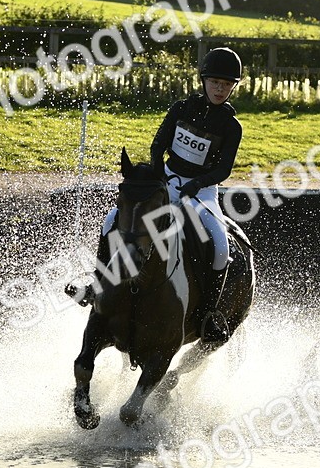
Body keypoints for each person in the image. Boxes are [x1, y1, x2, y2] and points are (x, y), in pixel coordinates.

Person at [72, 47, 244, 343]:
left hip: (202, 193)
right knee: (112, 218)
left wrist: (197, 183)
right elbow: (157, 146)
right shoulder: (181, 109)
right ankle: (97, 284)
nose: (220, 89)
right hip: (166, 184)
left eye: (227, 84)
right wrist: (158, 174)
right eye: (215, 82)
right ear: (203, 81)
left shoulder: (231, 126)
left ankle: (208, 313)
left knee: (220, 247)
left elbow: (224, 170)